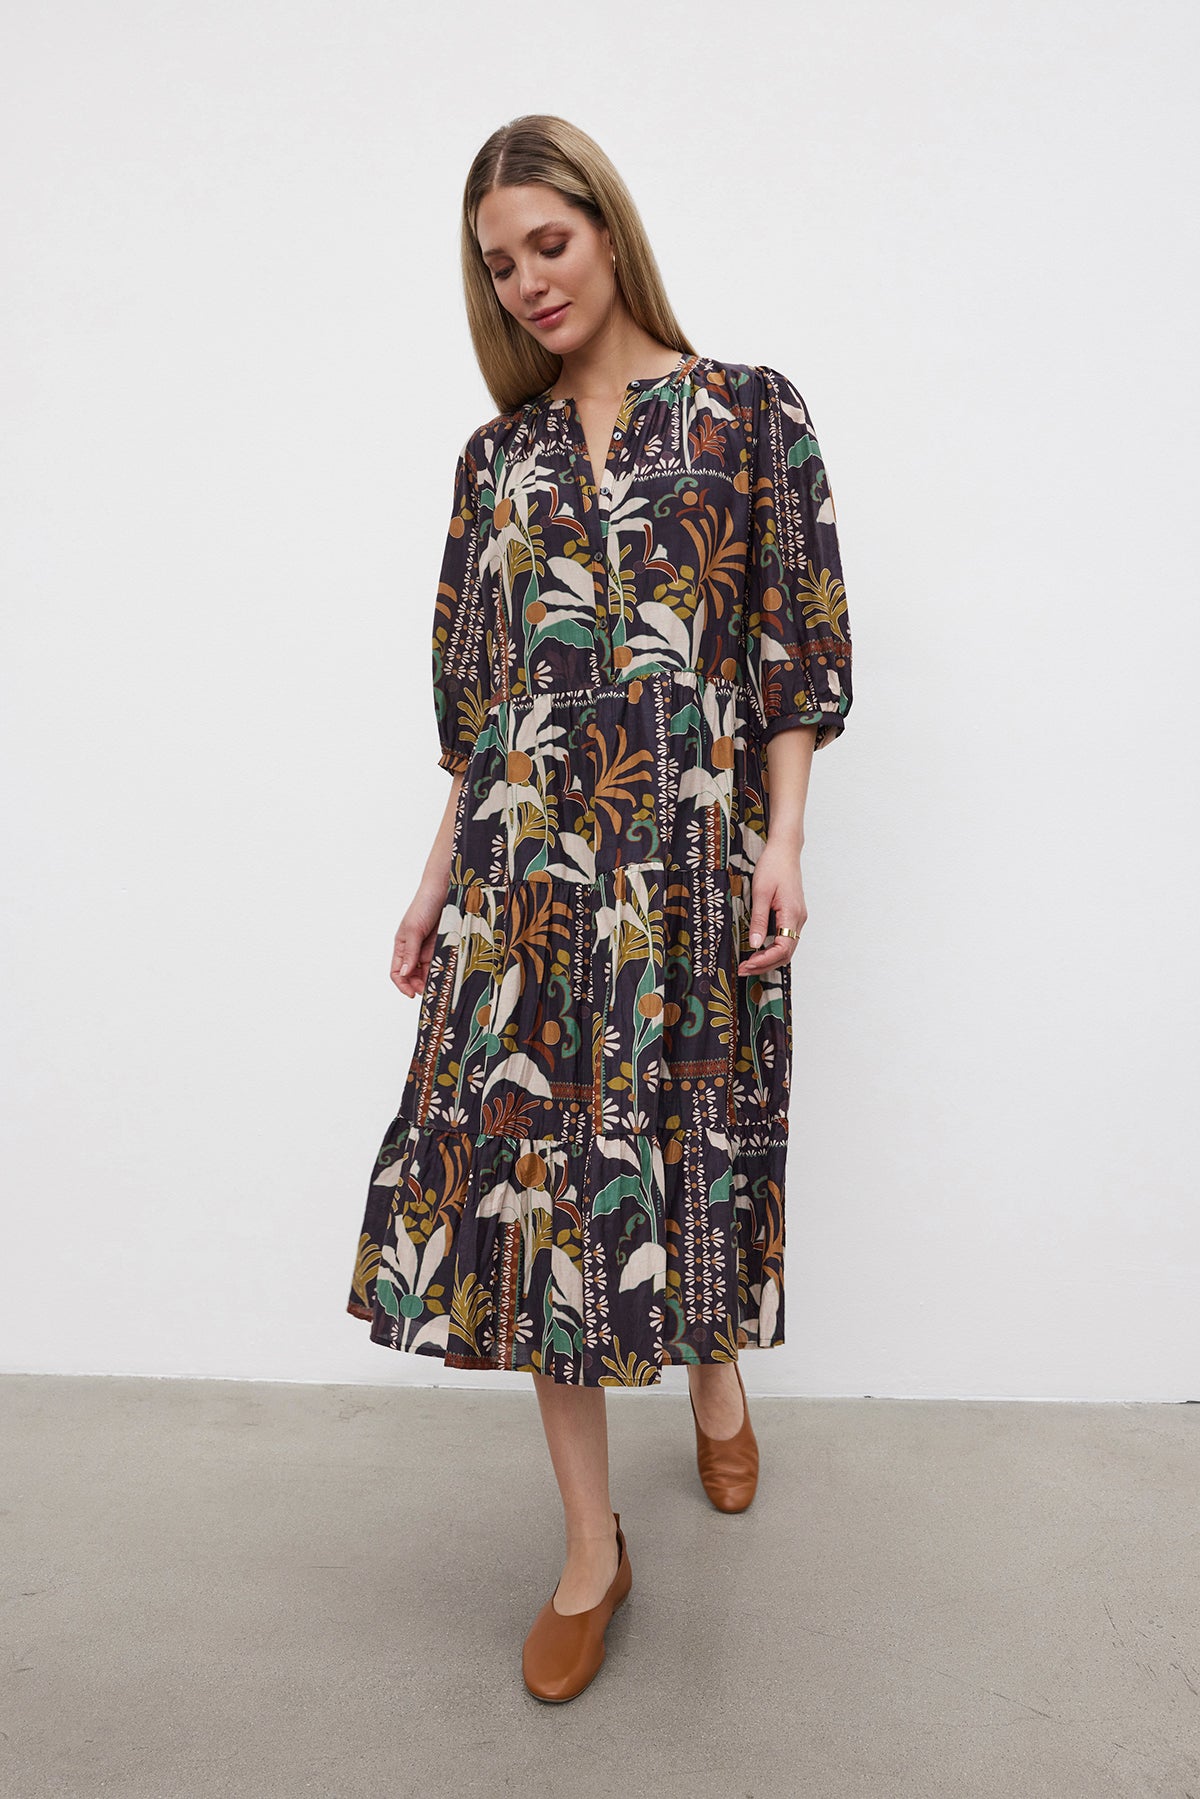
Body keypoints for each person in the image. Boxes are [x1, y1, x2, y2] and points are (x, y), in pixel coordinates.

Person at [346, 112, 853, 1702]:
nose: (526, 286)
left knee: (684, 1150)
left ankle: (714, 1383)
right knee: (539, 1203)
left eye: (546, 247)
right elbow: (481, 707)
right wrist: (437, 877)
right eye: (499, 268)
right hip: (523, 888)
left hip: (690, 865)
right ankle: (590, 1550)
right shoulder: (492, 465)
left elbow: (790, 645)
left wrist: (783, 839)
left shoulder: (750, 418)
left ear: (610, 231)